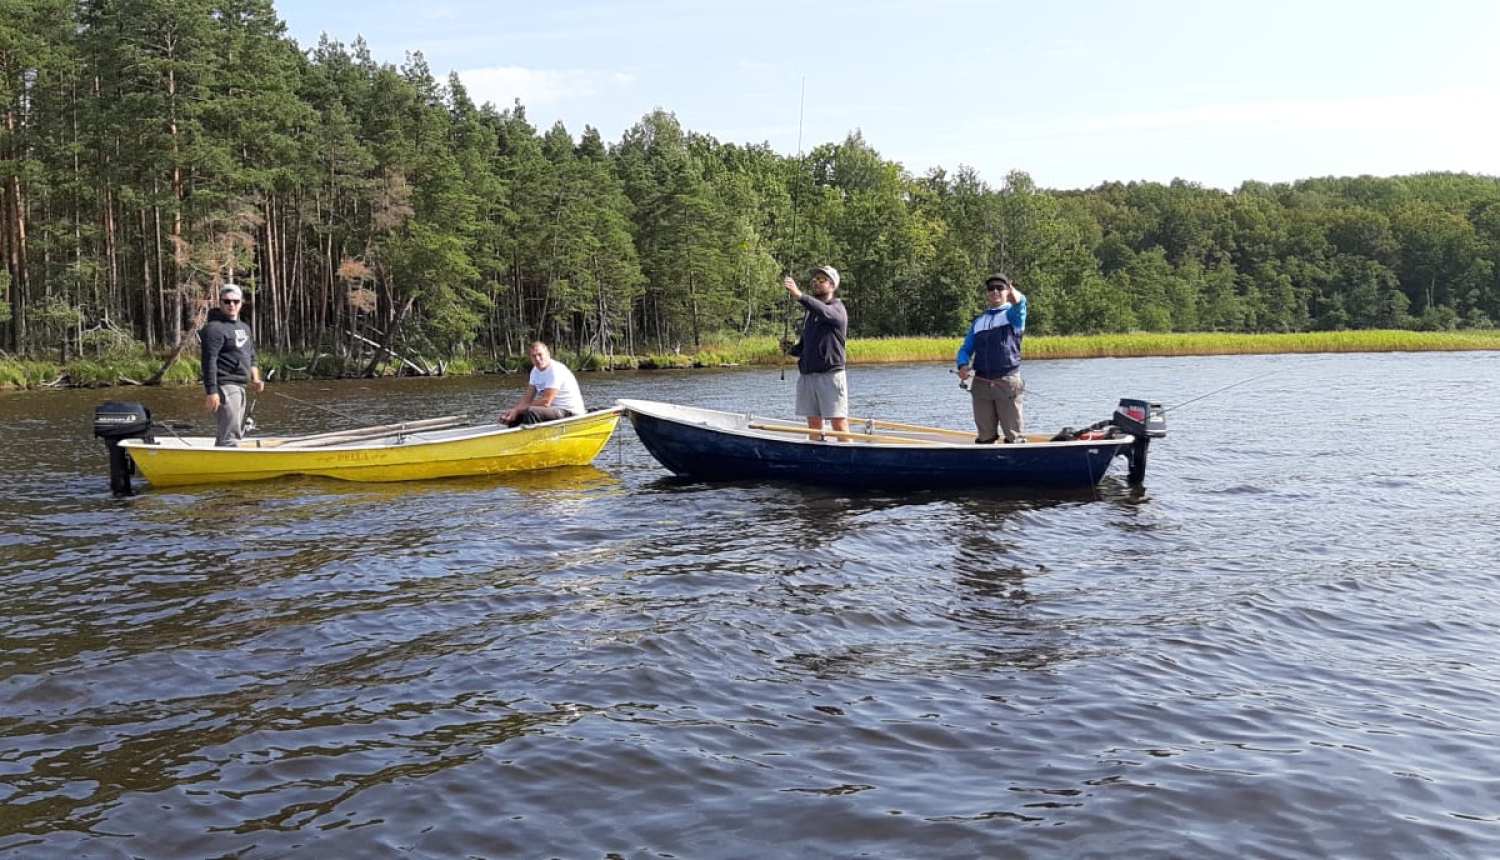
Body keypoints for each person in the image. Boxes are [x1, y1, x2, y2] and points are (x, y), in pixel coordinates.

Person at [779, 264, 849, 441]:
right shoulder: (810, 315)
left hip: (830, 376)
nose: (816, 282)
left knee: (838, 424)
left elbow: (824, 311)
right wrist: (790, 349)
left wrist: (799, 295)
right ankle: (817, 453)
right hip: (808, 376)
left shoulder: (837, 309)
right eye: (815, 279)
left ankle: (849, 453)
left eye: (822, 279)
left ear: (832, 285)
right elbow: (804, 347)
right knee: (813, 424)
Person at [956, 273, 1028, 444]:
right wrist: (962, 365)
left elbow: (1020, 307)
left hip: (1007, 381)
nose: (995, 291)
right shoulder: (978, 322)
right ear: (987, 293)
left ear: (1007, 291)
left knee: (1013, 435)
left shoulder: (1012, 316)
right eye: (991, 288)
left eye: (999, 288)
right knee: (985, 436)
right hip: (981, 382)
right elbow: (966, 348)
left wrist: (1020, 299)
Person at [200, 284, 264, 447]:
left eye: (236, 301)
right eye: (227, 301)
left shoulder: (244, 328)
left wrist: (256, 378)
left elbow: (251, 355)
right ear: (220, 302)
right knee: (231, 433)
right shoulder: (214, 329)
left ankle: (219, 457)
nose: (232, 305)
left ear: (241, 303)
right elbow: (209, 361)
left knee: (231, 430)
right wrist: (211, 392)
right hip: (224, 385)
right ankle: (230, 458)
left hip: (240, 385)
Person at [499, 341, 586, 427]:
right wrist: (514, 411)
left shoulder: (555, 370)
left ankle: (533, 435)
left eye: (540, 354)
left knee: (531, 412)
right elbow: (527, 397)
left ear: (548, 354)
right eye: (534, 356)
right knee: (516, 416)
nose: (537, 359)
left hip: (570, 412)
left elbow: (546, 401)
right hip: (553, 410)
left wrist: (519, 410)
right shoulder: (534, 371)